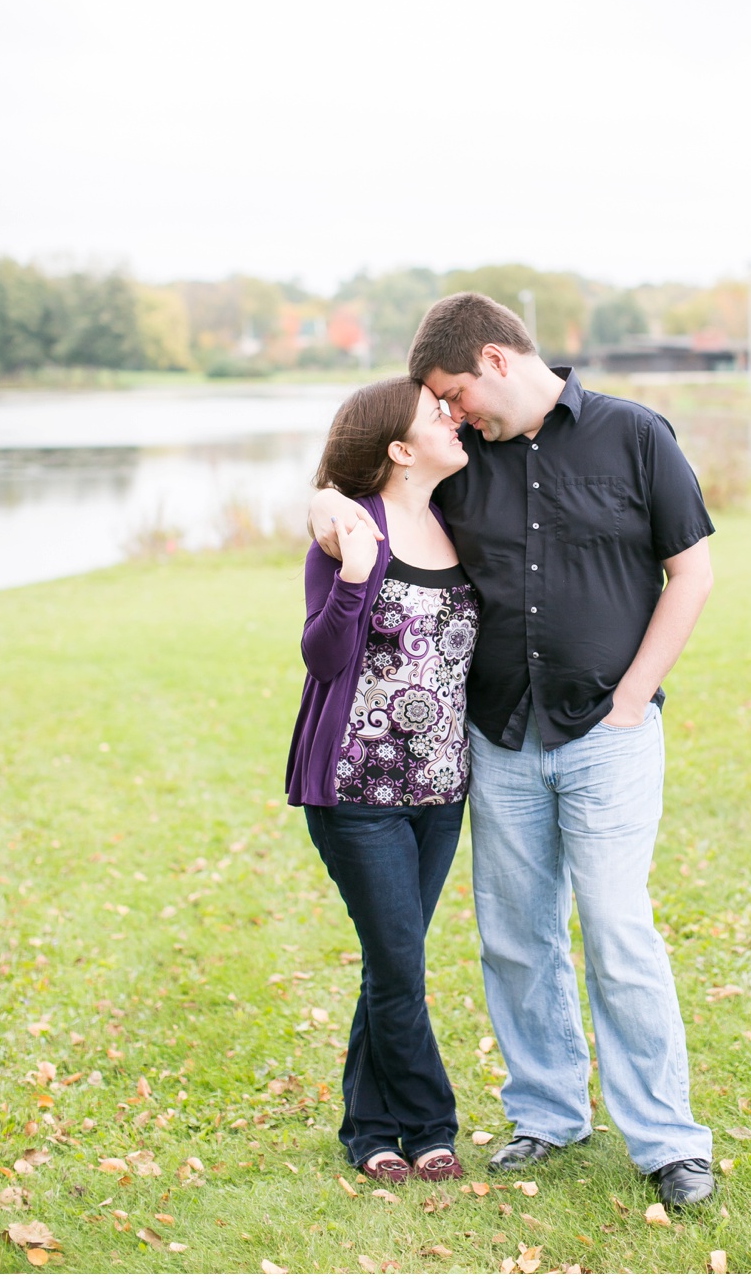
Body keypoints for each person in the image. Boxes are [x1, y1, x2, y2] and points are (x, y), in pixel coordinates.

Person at [310, 291, 717, 1210]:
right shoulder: (464, 462)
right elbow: (369, 478)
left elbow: (691, 568)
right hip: (494, 739)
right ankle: (547, 1113)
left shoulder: (636, 436)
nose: (453, 414)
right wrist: (320, 507)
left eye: (455, 393)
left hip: (608, 735)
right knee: (516, 940)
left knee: (616, 929)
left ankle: (666, 1139)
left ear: (496, 360)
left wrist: (630, 697)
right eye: (441, 408)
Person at [287, 376, 476, 1184]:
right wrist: (359, 573)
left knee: (390, 961)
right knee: (401, 965)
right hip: (359, 791)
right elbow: (324, 658)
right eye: (437, 413)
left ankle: (368, 1126)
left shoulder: (458, 519)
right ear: (400, 449)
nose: (453, 417)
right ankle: (430, 1125)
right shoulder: (349, 532)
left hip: (440, 791)